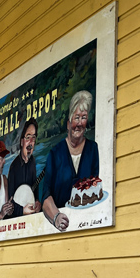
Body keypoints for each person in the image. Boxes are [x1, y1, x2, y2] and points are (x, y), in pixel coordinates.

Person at [42, 90, 99, 232]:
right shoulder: (55, 154)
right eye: (76, 117)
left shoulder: (92, 149)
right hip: (61, 228)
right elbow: (45, 197)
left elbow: (94, 187)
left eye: (84, 117)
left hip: (88, 224)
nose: (79, 123)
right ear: (68, 123)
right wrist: (56, 217)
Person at [0, 140, 34, 222]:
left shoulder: (4, 180)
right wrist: (0, 215)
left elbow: (8, 212)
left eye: (4, 158)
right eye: (1, 158)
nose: (4, 161)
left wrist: (10, 210)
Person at [8, 118, 41, 216]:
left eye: (33, 138)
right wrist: (21, 210)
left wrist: (37, 202)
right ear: (22, 142)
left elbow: (34, 187)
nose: (30, 142)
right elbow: (9, 204)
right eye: (28, 137)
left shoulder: (32, 161)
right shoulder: (14, 167)